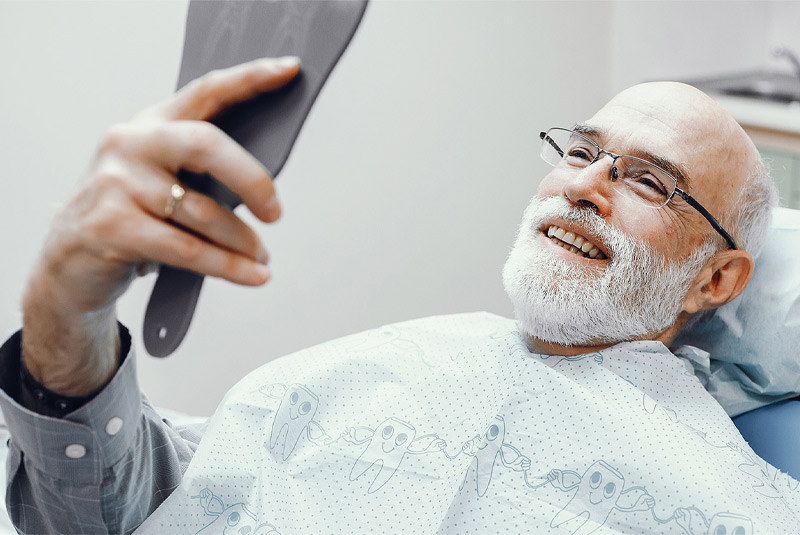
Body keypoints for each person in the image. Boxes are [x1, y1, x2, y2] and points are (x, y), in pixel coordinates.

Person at [0, 56, 797, 535]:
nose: (585, 184)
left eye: (649, 180)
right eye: (583, 149)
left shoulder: (731, 496)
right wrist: (67, 318)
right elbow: (117, 509)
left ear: (715, 279)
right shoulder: (390, 361)